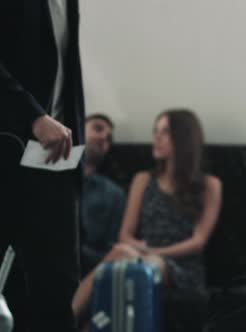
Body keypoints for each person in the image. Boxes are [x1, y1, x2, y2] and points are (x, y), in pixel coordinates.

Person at [72, 109, 222, 322]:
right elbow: (125, 234)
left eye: (165, 132)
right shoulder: (143, 179)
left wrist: (153, 251)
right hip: (139, 254)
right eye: (155, 131)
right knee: (122, 253)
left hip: (182, 269)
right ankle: (68, 321)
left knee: (140, 264)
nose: (157, 137)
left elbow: (198, 242)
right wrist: (140, 251)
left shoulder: (210, 185)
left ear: (184, 138)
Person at [0, 1, 85, 331]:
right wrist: (32, 115)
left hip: (57, 160)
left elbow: (67, 71)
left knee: (56, 291)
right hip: (9, 147)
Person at [80, 114, 126, 275]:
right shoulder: (49, 178)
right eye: (98, 128)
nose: (103, 137)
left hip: (88, 270)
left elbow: (111, 251)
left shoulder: (114, 194)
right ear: (77, 126)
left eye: (109, 138)